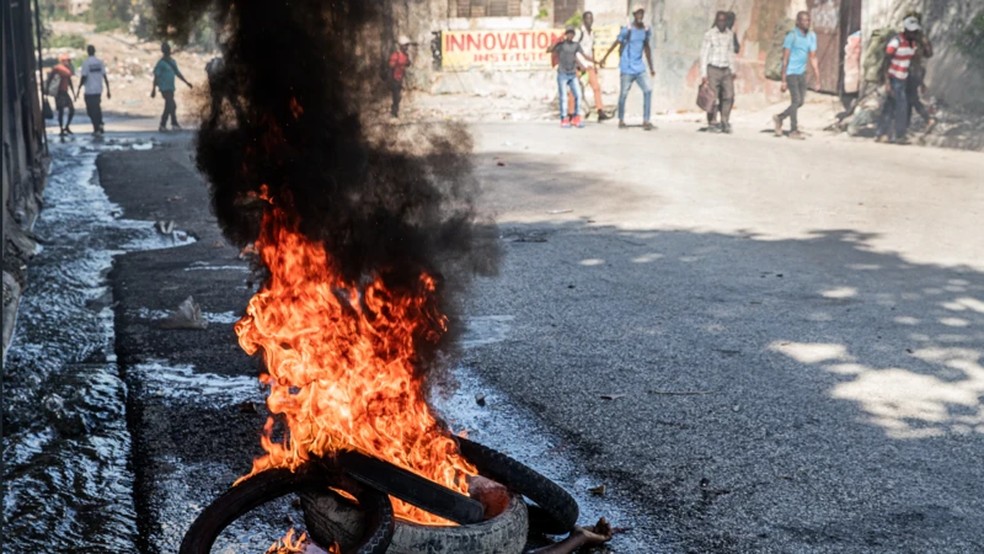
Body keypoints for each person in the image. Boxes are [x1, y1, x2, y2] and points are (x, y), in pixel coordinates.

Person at [875, 15, 931, 144]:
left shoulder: (913, 43)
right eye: (911, 30)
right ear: (905, 29)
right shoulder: (895, 42)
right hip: (894, 77)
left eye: (915, 30)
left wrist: (924, 40)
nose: (913, 33)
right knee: (902, 106)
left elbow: (924, 56)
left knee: (889, 106)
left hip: (903, 78)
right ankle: (899, 135)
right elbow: (886, 62)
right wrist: (887, 82)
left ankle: (881, 133)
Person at [600, 5, 655, 130]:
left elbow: (647, 48)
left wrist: (651, 67)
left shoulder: (646, 30)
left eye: (642, 13)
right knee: (624, 94)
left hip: (639, 67)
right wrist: (605, 57)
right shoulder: (628, 29)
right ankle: (621, 119)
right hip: (627, 66)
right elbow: (616, 43)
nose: (640, 16)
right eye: (637, 14)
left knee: (648, 90)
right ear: (634, 15)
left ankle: (646, 120)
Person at [772, 11, 819, 140]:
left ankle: (780, 117)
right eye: (803, 20)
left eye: (808, 20)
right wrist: (783, 80)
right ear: (797, 22)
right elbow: (785, 59)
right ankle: (793, 130)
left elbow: (813, 58)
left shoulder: (811, 36)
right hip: (791, 73)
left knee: (801, 102)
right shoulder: (791, 36)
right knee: (796, 100)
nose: (806, 23)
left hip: (802, 73)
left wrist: (817, 79)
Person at [547, 26, 595, 128]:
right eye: (568, 33)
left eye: (572, 33)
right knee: (564, 97)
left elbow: (582, 56)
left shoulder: (575, 45)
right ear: (565, 34)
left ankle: (576, 118)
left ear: (574, 35)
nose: (570, 35)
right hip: (562, 74)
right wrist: (557, 41)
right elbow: (549, 50)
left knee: (578, 95)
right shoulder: (561, 45)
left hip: (572, 74)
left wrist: (595, 61)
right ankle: (564, 118)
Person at [700, 11, 737, 134]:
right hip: (713, 68)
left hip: (726, 69)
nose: (722, 23)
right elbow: (704, 54)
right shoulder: (709, 34)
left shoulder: (729, 34)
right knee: (712, 97)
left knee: (729, 96)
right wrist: (703, 73)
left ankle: (725, 120)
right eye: (720, 20)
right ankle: (712, 121)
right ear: (716, 21)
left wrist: (733, 69)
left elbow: (731, 52)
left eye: (724, 21)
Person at [573, 12, 609, 122]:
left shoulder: (592, 33)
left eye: (591, 18)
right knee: (575, 89)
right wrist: (578, 64)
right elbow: (572, 49)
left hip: (588, 65)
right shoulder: (580, 32)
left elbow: (591, 49)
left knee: (596, 87)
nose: (590, 21)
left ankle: (600, 111)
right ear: (584, 20)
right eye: (588, 18)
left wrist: (594, 63)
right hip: (579, 65)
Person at [151, 43, 193, 132]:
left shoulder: (172, 62)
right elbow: (156, 76)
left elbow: (178, 73)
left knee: (170, 106)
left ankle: (165, 125)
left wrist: (187, 82)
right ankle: (171, 124)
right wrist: (153, 89)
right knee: (172, 105)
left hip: (171, 88)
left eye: (168, 49)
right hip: (164, 88)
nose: (167, 51)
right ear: (163, 51)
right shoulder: (161, 63)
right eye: (165, 49)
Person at [76, 45, 111, 135]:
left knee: (90, 110)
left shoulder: (86, 63)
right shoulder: (99, 62)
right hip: (98, 89)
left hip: (89, 90)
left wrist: (79, 88)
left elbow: (83, 76)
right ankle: (99, 124)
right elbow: (105, 76)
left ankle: (96, 127)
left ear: (87, 51)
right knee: (97, 108)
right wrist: (108, 90)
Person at [46, 53, 76, 136]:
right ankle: (61, 128)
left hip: (65, 92)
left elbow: (69, 81)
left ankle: (66, 126)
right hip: (59, 92)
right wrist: (47, 89)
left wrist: (73, 93)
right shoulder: (57, 68)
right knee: (61, 111)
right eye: (67, 60)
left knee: (72, 110)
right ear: (62, 61)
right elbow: (50, 79)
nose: (68, 62)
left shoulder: (68, 69)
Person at [388, 35, 413, 118]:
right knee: (396, 96)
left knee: (398, 96)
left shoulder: (405, 55)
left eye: (407, 45)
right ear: (401, 46)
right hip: (395, 78)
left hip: (400, 78)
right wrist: (397, 64)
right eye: (405, 45)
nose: (406, 47)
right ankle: (394, 112)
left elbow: (408, 63)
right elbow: (391, 65)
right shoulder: (396, 55)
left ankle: (395, 111)